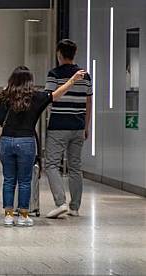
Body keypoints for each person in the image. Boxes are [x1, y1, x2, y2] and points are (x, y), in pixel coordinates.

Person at [0, 66, 85, 226]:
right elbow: (56, 94)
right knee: (24, 180)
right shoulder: (35, 97)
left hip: (7, 141)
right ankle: (23, 215)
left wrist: (0, 140)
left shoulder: (3, 97)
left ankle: (8, 216)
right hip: (26, 142)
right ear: (30, 81)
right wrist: (72, 80)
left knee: (8, 180)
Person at [44, 40, 93, 219]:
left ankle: (60, 203)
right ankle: (75, 207)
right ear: (75, 52)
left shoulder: (54, 74)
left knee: (51, 164)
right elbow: (89, 102)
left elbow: (50, 98)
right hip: (78, 126)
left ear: (59, 54)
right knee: (75, 167)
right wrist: (86, 126)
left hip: (58, 125)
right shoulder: (85, 76)